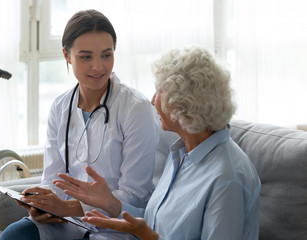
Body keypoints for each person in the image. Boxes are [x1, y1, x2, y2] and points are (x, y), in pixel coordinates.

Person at [54, 46, 261, 240]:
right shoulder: (182, 154)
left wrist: (148, 237)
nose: (153, 101)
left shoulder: (228, 178)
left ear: (185, 102)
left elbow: (152, 234)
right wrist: (110, 202)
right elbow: (155, 221)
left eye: (159, 91)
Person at [0, 9, 158, 240]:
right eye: (85, 57)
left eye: (106, 55)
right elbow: (53, 178)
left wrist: (69, 208)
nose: (98, 67)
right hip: (66, 223)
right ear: (66, 55)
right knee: (13, 236)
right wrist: (43, 203)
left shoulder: (135, 108)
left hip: (114, 227)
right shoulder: (60, 107)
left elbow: (135, 197)